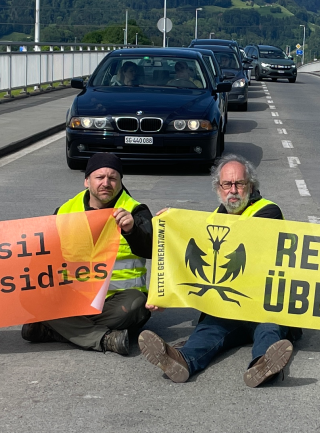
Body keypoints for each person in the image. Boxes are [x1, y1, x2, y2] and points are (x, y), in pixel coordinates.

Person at [137, 155, 296, 386]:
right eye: (226, 185)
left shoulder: (269, 211)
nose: (233, 190)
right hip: (229, 305)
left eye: (239, 184)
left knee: (268, 330)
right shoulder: (212, 219)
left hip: (263, 304)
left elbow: (243, 236)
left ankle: (263, 366)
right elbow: (183, 261)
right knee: (208, 330)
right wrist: (172, 225)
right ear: (218, 189)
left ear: (250, 186)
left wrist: (186, 223)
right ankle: (181, 361)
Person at [21, 152, 152, 354]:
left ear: (120, 182)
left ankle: (55, 328)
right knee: (30, 295)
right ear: (86, 181)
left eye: (112, 178)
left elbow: (152, 250)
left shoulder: (135, 211)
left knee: (136, 307)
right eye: (100, 177)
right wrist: (45, 283)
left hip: (117, 299)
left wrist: (132, 231)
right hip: (74, 296)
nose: (106, 183)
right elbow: (43, 256)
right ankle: (103, 338)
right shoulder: (65, 211)